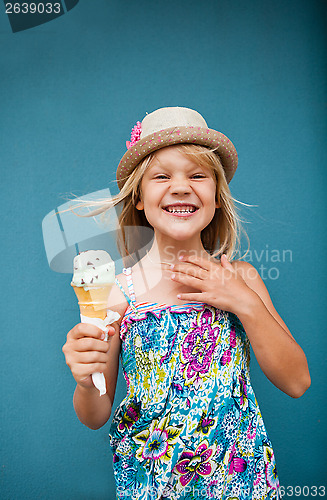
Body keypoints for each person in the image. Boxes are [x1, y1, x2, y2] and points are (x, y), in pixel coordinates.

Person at [62, 107, 311, 500]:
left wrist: (244, 303)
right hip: (153, 484)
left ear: (215, 197)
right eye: (162, 176)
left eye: (197, 175)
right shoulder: (118, 294)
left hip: (241, 483)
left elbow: (297, 382)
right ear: (140, 199)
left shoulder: (242, 279)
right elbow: (94, 416)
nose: (180, 187)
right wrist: (83, 379)